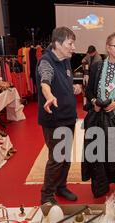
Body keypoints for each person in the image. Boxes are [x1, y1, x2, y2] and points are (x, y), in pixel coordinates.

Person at [82, 32, 115, 198]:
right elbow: (89, 89)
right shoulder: (97, 67)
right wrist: (94, 102)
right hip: (98, 117)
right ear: (108, 47)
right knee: (98, 152)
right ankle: (100, 186)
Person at [37, 27, 82, 205]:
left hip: (69, 117)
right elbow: (45, 81)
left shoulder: (65, 60)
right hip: (54, 120)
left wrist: (73, 88)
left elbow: (61, 82)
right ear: (57, 44)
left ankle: (61, 187)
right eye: (70, 43)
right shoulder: (46, 62)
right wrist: (49, 96)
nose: (73, 47)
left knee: (65, 158)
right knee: (56, 159)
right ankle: (47, 195)